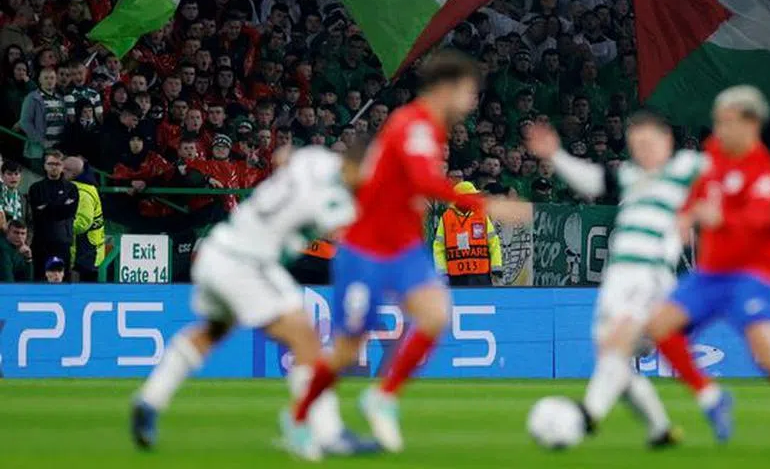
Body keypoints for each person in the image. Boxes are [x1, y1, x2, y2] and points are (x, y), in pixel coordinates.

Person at [289, 50, 530, 454]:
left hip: (403, 248)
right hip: (366, 248)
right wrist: (485, 204)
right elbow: (423, 179)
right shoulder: (413, 124)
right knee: (349, 348)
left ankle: (382, 396)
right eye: (470, 91)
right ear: (447, 88)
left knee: (437, 315)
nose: (474, 102)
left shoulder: (431, 129)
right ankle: (300, 419)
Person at [131, 145, 377, 459]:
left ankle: (149, 400)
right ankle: (326, 433)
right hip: (246, 263)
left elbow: (284, 156)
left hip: (219, 247)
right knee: (305, 339)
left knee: (213, 331)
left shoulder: (314, 158)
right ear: (354, 167)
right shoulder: (336, 202)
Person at [645, 86, 770, 458]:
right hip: (709, 276)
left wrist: (718, 217)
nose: (718, 129)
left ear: (751, 123)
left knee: (767, 357)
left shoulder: (762, 167)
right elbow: (697, 197)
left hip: (750, 277)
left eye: (726, 121)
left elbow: (757, 219)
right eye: (717, 121)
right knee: (658, 328)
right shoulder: (714, 154)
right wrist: (684, 217)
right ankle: (711, 398)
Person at [526, 110, 697, 447]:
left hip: (649, 276)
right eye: (637, 142)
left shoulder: (684, 170)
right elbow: (593, 180)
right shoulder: (632, 176)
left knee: (615, 347)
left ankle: (587, 415)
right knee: (612, 357)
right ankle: (660, 430)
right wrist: (556, 155)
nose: (642, 148)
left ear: (668, 143)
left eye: (650, 141)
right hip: (619, 278)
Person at [432, 181, 504, 286]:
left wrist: (496, 266)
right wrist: (441, 272)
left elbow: (494, 243)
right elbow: (439, 247)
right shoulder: (446, 218)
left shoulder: (482, 215)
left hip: (481, 274)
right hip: (455, 275)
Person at [28, 150, 79, 281]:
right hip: (41, 242)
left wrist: (47, 206)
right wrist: (61, 203)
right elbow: (37, 213)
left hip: (63, 242)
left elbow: (69, 212)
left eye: (57, 164)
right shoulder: (36, 188)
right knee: (40, 280)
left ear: (62, 167)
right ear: (45, 166)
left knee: (62, 281)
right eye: (50, 163)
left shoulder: (71, 188)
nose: (54, 167)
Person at [62, 156, 105, 282]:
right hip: (85, 250)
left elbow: (82, 224)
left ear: (72, 173)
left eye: (63, 170)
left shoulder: (83, 193)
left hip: (86, 252)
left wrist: (57, 225)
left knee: (82, 290)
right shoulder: (84, 187)